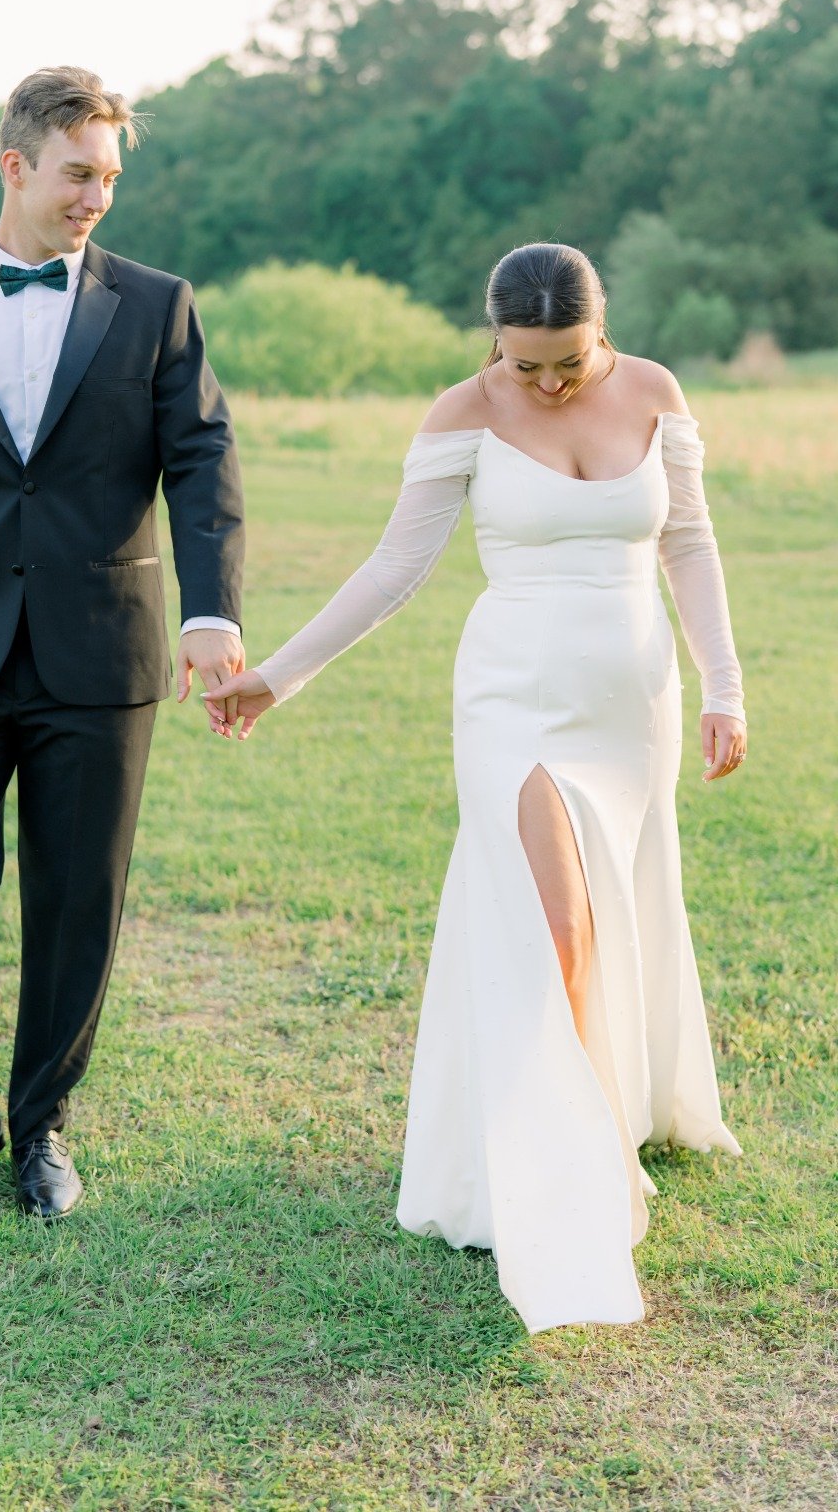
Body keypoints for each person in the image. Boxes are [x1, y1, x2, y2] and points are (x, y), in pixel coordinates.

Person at [204, 242, 746, 1333]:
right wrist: (280, 675)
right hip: (514, 701)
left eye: (570, 363)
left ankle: (609, 1110)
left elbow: (687, 541)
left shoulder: (655, 393)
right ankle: (576, 1163)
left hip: (629, 700)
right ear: (493, 334)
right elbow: (395, 567)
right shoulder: (462, 411)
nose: (548, 385)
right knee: (561, 924)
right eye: (527, 363)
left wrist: (722, 686)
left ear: (603, 328)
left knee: (622, 904)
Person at [0, 68, 244, 1217]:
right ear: (15, 165)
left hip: (100, 653)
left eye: (110, 178)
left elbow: (204, 463)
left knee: (78, 898)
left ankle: (42, 1128)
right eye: (79, 175)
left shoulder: (156, 305)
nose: (95, 199)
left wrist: (210, 611)